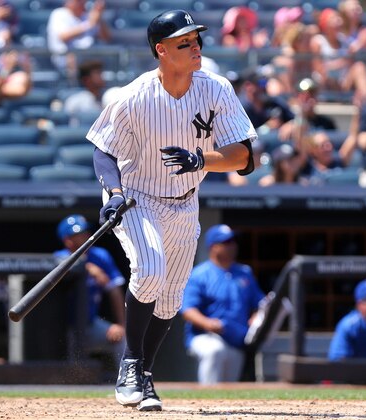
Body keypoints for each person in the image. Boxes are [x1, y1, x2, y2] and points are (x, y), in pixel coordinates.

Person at [86, 9, 256, 411]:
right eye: (184, 42)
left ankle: (144, 374)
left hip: (185, 201)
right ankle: (130, 364)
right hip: (136, 196)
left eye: (196, 39)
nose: (195, 45)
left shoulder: (215, 88)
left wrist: (201, 160)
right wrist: (112, 193)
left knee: (170, 300)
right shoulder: (135, 95)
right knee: (150, 270)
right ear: (161, 50)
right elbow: (103, 150)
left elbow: (245, 157)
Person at [180, 224, 265, 385]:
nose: (232, 246)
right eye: (226, 242)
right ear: (214, 247)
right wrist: (208, 323)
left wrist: (255, 317)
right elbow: (187, 309)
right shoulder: (200, 274)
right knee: (215, 351)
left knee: (229, 386)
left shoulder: (244, 272)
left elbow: (260, 303)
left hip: (237, 338)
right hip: (206, 336)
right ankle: (206, 400)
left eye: (233, 241)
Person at [54, 214, 126, 365]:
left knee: (122, 338)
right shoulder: (59, 257)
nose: (87, 236)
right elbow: (59, 269)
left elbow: (114, 290)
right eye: (80, 235)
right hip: (62, 328)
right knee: (71, 364)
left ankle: (127, 381)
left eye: (86, 233)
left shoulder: (100, 256)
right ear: (67, 239)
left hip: (90, 324)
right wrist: (85, 267)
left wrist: (121, 324)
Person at [309, 8, 366, 102]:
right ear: (325, 24)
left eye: (338, 18)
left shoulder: (344, 40)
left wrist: (362, 42)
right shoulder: (318, 41)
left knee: (359, 67)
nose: (338, 21)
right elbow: (319, 69)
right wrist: (343, 61)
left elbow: (352, 58)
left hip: (344, 83)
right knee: (330, 74)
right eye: (334, 18)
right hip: (326, 83)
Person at [47, 0, 111, 78]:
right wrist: (89, 24)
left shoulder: (87, 16)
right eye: (78, 1)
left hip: (88, 61)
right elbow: (63, 36)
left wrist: (99, 18)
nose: (82, 2)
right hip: (65, 62)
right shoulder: (59, 14)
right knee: (72, 57)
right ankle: (72, 85)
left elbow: (106, 38)